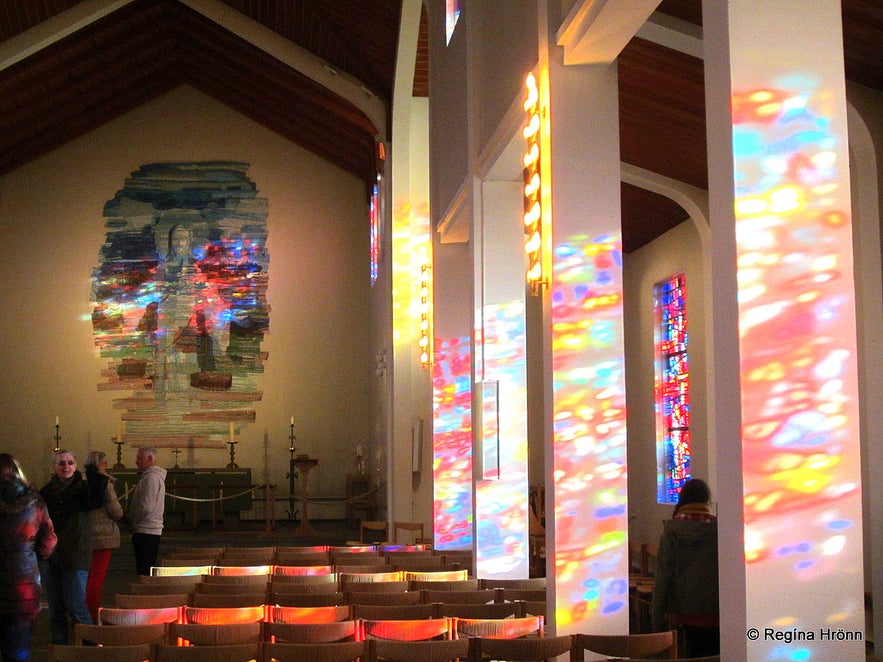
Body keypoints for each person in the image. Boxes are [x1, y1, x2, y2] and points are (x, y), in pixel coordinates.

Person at [39, 450, 106, 644]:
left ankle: (91, 649)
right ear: (54, 467)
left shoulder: (83, 489)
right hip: (51, 556)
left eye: (70, 463)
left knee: (76, 606)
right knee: (56, 610)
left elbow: (97, 499)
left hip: (75, 554)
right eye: (61, 463)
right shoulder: (46, 492)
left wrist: (92, 471)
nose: (66, 467)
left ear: (75, 466)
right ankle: (60, 651)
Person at [651, 478, 719, 657]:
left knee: (692, 653)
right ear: (706, 500)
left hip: (684, 607)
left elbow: (664, 574)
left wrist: (657, 616)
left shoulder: (672, 529)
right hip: (716, 606)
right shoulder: (719, 528)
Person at [0, 453, 57, 662]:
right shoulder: (34, 502)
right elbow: (48, 540)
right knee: (18, 648)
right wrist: (36, 555)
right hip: (23, 586)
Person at [83, 451, 123, 622]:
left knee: (86, 577)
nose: (107, 466)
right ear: (99, 464)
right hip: (103, 535)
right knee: (97, 578)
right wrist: (123, 515)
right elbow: (114, 510)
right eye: (105, 463)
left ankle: (83, 612)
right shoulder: (103, 482)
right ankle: (91, 614)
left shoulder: (81, 480)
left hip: (85, 534)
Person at [126, 446, 166, 576]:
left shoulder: (151, 478)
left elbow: (146, 507)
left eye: (139, 458)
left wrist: (132, 519)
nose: (136, 461)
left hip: (146, 529)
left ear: (149, 458)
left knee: (144, 569)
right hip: (147, 528)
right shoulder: (150, 477)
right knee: (145, 567)